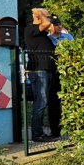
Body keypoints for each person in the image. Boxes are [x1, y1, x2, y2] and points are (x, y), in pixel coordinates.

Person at [23, 8, 58, 142]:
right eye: (47, 16)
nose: (49, 19)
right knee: (41, 102)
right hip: (38, 71)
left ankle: (43, 132)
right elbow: (47, 24)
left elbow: (49, 26)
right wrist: (39, 14)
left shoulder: (42, 33)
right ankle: (37, 134)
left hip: (46, 71)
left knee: (45, 101)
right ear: (39, 17)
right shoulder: (31, 29)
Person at [47, 16, 73, 139]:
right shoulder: (47, 39)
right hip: (53, 73)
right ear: (50, 26)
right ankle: (55, 130)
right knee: (54, 103)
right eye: (56, 24)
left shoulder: (68, 37)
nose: (59, 26)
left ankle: (71, 130)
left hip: (67, 73)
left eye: (60, 24)